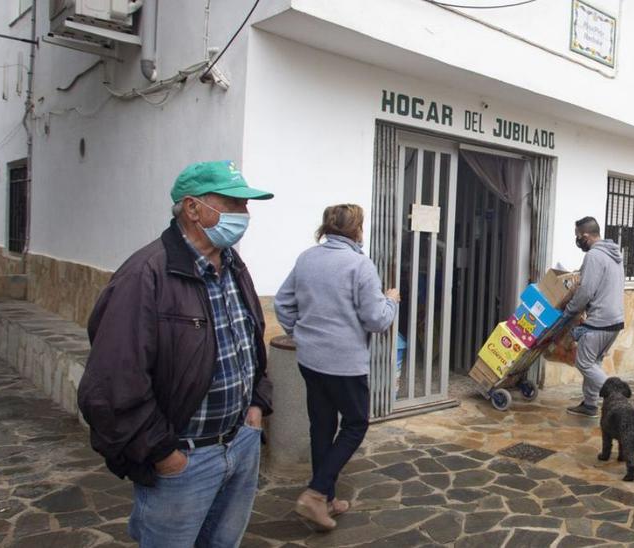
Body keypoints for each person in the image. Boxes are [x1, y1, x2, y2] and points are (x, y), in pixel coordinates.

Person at [77, 161, 275, 547]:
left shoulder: (235, 267)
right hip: (184, 461)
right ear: (192, 208)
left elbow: (249, 345)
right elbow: (110, 386)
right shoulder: (145, 275)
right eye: (233, 204)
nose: (244, 215)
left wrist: (256, 408)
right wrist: (163, 454)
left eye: (246, 206)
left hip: (240, 444)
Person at [274, 204, 400, 531]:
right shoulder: (360, 265)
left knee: (322, 425)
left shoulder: (307, 258)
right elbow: (375, 320)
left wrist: (298, 334)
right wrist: (391, 300)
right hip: (344, 364)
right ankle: (316, 493)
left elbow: (282, 303)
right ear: (356, 230)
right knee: (356, 423)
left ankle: (326, 501)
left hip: (310, 360)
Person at [564, 216, 626, 418]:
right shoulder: (614, 254)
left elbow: (586, 291)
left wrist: (571, 310)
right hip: (615, 320)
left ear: (585, 236)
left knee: (584, 363)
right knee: (594, 362)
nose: (577, 241)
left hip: (599, 320)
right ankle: (590, 404)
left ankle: (621, 399)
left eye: (577, 237)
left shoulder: (593, 256)